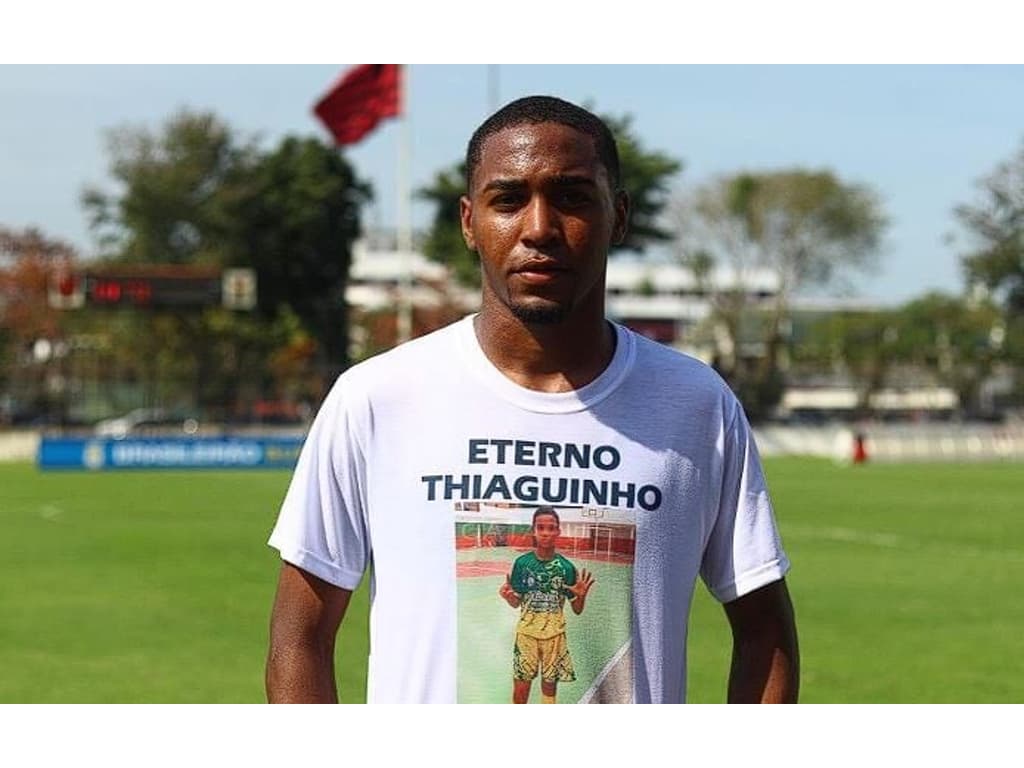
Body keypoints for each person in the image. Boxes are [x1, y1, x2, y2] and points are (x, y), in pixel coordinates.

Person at [266, 95, 799, 704]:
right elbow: (299, 637)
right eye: (508, 199)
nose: (539, 228)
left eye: (572, 197)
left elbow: (765, 635)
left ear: (617, 216)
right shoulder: (377, 397)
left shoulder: (697, 404)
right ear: (470, 221)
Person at [498, 506, 594, 704]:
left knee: (549, 688)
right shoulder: (522, 564)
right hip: (526, 635)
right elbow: (517, 602)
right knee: (520, 689)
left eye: (551, 528)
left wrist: (581, 597)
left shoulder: (567, 568)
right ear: (534, 530)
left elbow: (577, 610)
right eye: (541, 528)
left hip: (554, 636)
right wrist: (509, 598)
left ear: (558, 531)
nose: (546, 533)